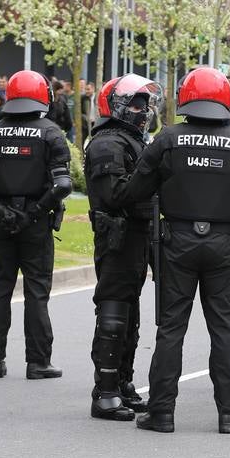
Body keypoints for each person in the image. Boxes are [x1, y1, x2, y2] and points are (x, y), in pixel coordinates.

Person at [112, 67, 230, 434]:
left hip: (176, 242)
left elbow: (136, 189)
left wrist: (116, 195)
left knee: (171, 329)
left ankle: (162, 412)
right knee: (225, 331)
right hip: (224, 246)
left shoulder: (167, 139)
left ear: (187, 96)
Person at [0, 70, 73, 380]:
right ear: (43, 97)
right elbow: (63, 184)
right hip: (35, 222)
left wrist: (0, 211)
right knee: (36, 292)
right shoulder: (51, 133)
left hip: (0, 222)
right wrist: (35, 212)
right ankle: (38, 362)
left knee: (0, 289)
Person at [85, 74, 162, 421]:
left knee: (130, 316)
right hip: (117, 238)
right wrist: (150, 173)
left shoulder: (131, 140)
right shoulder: (107, 144)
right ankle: (105, 391)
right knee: (114, 314)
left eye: (145, 104)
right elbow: (115, 195)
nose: (142, 111)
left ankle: (123, 383)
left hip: (137, 236)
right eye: (135, 103)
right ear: (115, 106)